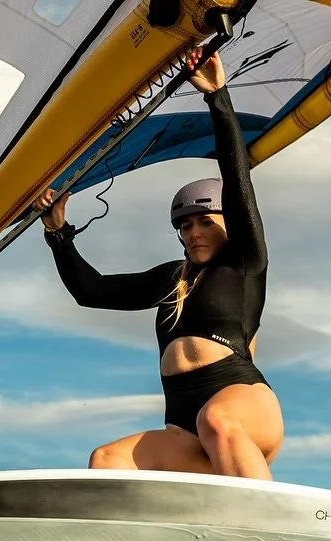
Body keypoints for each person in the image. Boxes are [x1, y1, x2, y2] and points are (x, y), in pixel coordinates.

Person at [38, 48, 282, 481]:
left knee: (218, 421)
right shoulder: (171, 278)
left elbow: (238, 175)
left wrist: (217, 97)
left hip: (242, 407)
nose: (192, 233)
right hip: (184, 424)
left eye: (205, 222)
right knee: (105, 461)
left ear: (229, 223)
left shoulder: (245, 262)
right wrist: (58, 233)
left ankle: (275, 531)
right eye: (184, 226)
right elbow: (89, 292)